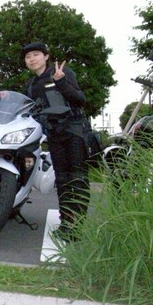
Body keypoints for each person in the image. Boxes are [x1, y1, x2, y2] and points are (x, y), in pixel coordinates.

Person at [22, 42, 89, 242]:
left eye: (36, 54)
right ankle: (66, 222)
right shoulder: (31, 85)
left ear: (46, 56)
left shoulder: (61, 72)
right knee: (62, 181)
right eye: (28, 57)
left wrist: (61, 82)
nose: (32, 59)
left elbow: (80, 99)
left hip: (74, 130)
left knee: (77, 179)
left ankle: (77, 226)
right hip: (54, 134)